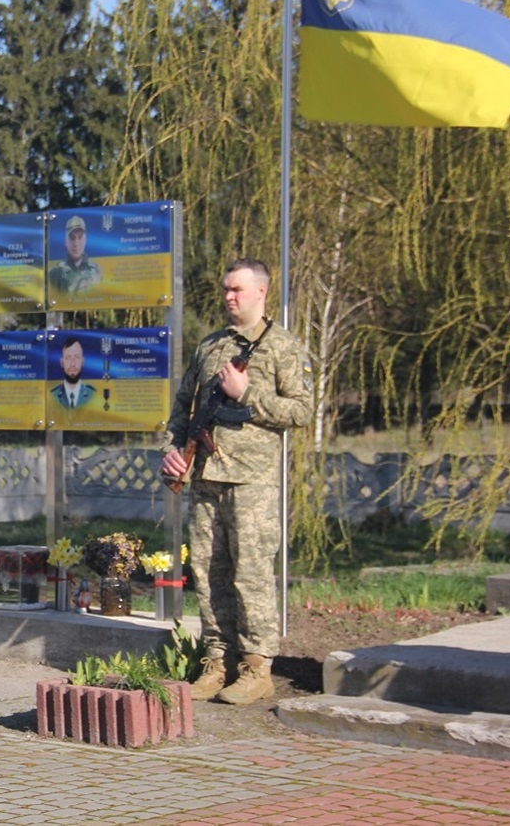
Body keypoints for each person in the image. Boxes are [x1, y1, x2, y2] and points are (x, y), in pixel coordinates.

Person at [160, 258, 312, 705]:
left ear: (261, 292)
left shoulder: (283, 347)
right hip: (206, 478)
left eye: (238, 290)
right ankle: (216, 661)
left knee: (250, 575)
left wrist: (247, 395)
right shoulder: (210, 348)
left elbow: (301, 411)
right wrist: (171, 452)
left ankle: (256, 667)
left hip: (253, 482)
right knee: (207, 574)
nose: (229, 297)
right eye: (225, 289)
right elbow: (182, 406)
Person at [48, 215, 102, 293]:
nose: (76, 244)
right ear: (66, 242)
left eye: (80, 237)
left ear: (85, 240)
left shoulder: (96, 270)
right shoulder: (56, 273)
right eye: (72, 238)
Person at [50, 336, 95, 409]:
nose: (73, 364)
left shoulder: (93, 394)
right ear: (61, 362)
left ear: (82, 361)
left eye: (77, 357)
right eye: (68, 358)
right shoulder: (53, 395)